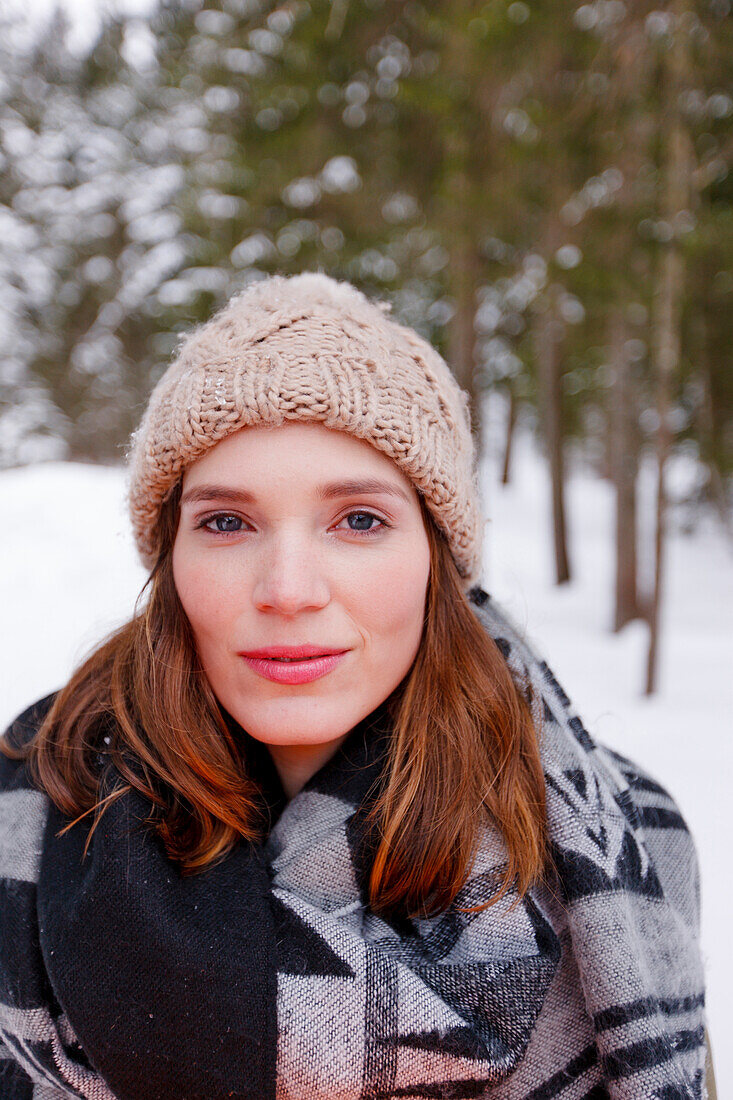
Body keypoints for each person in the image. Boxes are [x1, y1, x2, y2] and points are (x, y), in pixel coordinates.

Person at [0, 273, 709, 1099]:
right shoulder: (30, 809)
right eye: (226, 523)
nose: (289, 588)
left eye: (359, 521)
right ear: (171, 560)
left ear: (436, 559)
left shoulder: (622, 841)